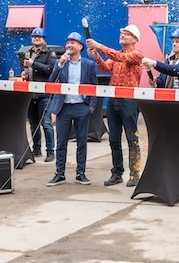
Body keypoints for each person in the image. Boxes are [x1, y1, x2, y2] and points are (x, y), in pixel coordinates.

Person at [87, 25, 145, 187]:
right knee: (114, 138)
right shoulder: (117, 56)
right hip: (113, 100)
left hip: (129, 101)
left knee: (131, 138)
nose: (123, 36)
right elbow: (104, 68)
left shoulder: (137, 55)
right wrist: (97, 56)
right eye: (122, 33)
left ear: (135, 39)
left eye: (127, 34)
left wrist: (99, 46)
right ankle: (117, 172)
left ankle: (135, 174)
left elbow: (121, 59)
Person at [46, 32, 98, 187]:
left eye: (73, 42)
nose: (69, 45)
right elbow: (51, 81)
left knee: (82, 142)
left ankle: (80, 173)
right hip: (64, 107)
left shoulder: (88, 64)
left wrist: (91, 106)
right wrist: (60, 64)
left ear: (80, 47)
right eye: (68, 42)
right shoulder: (60, 62)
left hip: (82, 107)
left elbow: (93, 86)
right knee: (61, 142)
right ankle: (59, 174)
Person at [21, 27, 57, 162]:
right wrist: (24, 73)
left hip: (45, 94)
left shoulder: (50, 53)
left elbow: (50, 70)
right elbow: (26, 68)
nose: (36, 39)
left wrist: (34, 63)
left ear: (44, 39)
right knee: (33, 123)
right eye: (34, 37)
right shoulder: (27, 52)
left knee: (46, 123)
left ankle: (50, 152)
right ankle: (36, 150)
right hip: (30, 93)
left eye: (39, 37)